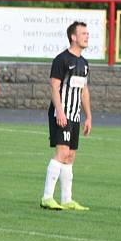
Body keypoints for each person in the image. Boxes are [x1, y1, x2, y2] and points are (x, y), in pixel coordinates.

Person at [40, 21, 92, 211]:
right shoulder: (61, 59)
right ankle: (47, 197)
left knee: (70, 156)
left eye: (88, 33)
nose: (87, 36)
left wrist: (89, 116)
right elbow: (54, 86)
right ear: (73, 37)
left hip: (75, 116)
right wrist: (60, 111)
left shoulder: (84, 63)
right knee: (61, 153)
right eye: (83, 33)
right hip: (61, 114)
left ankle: (67, 199)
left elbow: (84, 91)